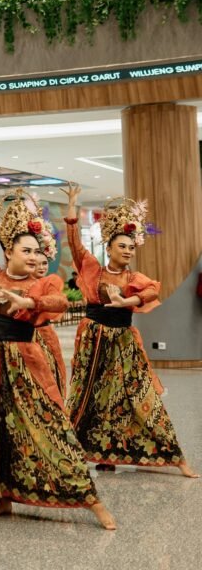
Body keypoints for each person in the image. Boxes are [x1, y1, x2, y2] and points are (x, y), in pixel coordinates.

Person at [0, 177, 116, 529]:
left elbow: (60, 301)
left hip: (23, 364)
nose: (34, 257)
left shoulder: (41, 282)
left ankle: (91, 500)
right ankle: (3, 497)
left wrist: (28, 301)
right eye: (27, 251)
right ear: (8, 251)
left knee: (50, 429)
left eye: (37, 251)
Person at [62, 184, 197, 478]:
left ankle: (173, 456)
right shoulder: (92, 270)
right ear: (108, 247)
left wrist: (127, 300)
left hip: (123, 343)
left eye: (131, 247)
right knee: (90, 397)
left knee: (137, 395)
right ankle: (99, 454)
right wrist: (73, 207)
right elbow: (74, 243)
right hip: (93, 342)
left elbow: (151, 290)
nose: (126, 251)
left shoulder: (133, 277)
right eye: (121, 245)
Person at [31, 246, 67, 400]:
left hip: (45, 334)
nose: (41, 267)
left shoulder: (50, 281)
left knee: (51, 374)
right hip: (23, 337)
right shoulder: (20, 283)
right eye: (35, 264)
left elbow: (57, 301)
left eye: (44, 263)